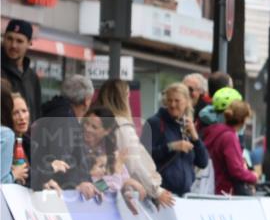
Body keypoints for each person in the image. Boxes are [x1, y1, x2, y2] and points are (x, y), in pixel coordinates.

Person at [93, 78, 176, 207]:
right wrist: (156, 191)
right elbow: (133, 165)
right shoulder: (122, 126)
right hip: (113, 192)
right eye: (128, 95)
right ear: (123, 97)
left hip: (101, 186)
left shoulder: (95, 122)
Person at [31, 74, 94, 191]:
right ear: (86, 100)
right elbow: (61, 162)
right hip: (57, 192)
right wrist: (76, 184)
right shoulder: (66, 119)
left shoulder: (57, 111)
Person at [147, 83, 209, 196]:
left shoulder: (186, 125)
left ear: (186, 102)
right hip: (162, 193)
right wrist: (171, 147)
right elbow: (145, 156)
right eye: (169, 100)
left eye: (177, 101)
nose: (173, 105)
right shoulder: (155, 123)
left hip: (186, 194)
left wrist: (195, 137)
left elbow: (203, 162)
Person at [202, 99, 258, 196]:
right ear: (243, 119)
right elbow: (236, 170)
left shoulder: (216, 132)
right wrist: (253, 176)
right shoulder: (230, 137)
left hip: (214, 187)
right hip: (226, 192)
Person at [1, 19, 40, 113]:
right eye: (9, 39)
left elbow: (37, 111)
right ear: (4, 38)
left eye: (19, 41)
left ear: (29, 43)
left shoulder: (32, 77)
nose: (13, 45)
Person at [1, 86, 15, 184]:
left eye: (24, 111)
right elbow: (2, 181)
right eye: (16, 112)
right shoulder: (6, 135)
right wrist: (15, 174)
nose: (21, 117)